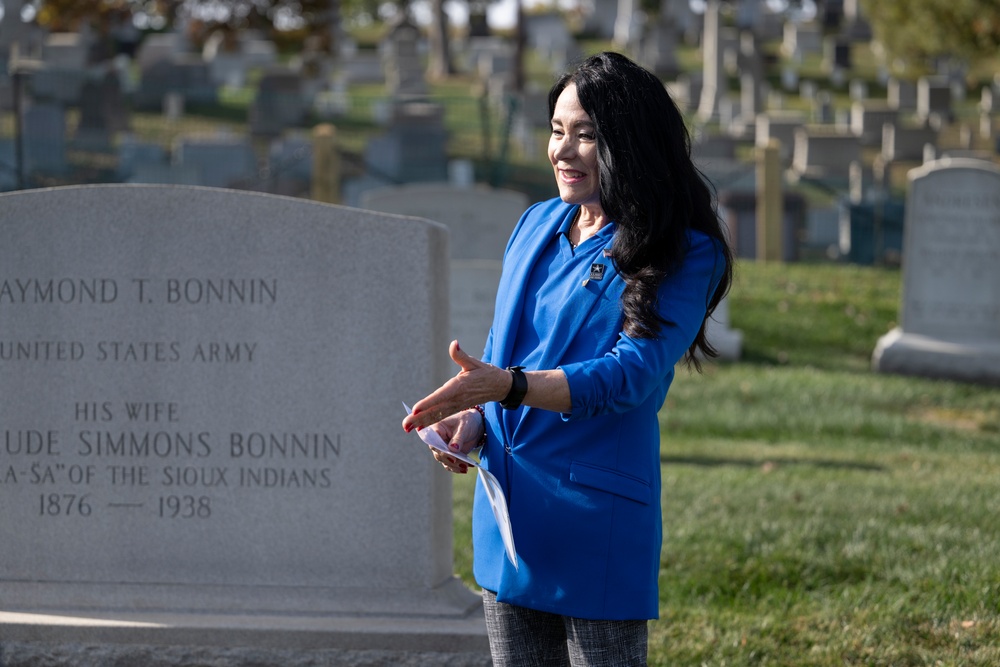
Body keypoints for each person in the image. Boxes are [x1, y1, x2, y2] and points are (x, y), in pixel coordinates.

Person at [402, 51, 733, 666]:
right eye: (557, 130)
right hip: (508, 525)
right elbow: (506, 358)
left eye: (587, 135)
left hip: (593, 524)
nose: (563, 150)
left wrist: (505, 387)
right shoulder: (534, 224)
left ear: (629, 144)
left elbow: (629, 376)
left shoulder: (685, 251)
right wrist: (472, 420)